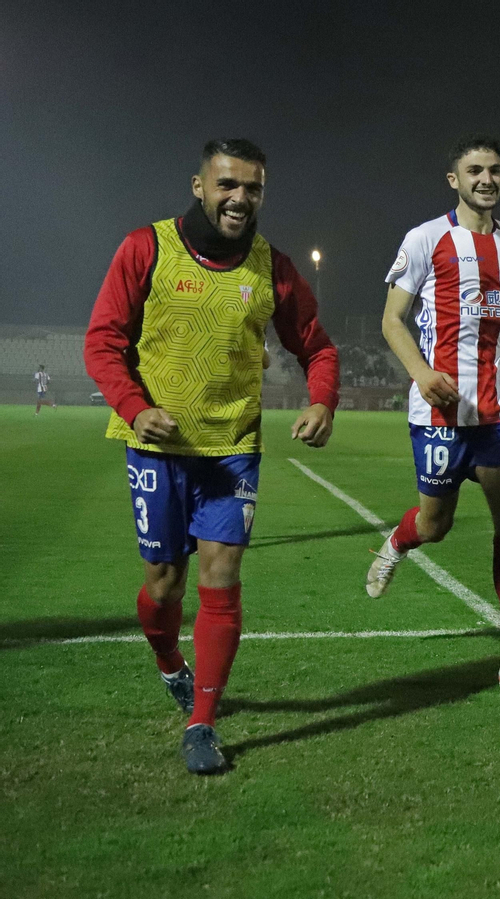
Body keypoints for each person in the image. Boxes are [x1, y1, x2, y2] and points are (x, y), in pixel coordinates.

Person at [83, 138, 340, 774]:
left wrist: (322, 401)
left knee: (221, 577)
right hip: (157, 446)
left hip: (232, 450)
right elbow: (102, 342)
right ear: (199, 186)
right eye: (227, 184)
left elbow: (317, 346)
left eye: (252, 188)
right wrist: (135, 407)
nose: (239, 198)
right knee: (163, 584)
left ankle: (202, 722)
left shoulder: (271, 267)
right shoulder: (145, 248)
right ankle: (170, 661)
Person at [365, 134, 500, 698]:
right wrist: (424, 375)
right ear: (454, 179)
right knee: (436, 525)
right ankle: (398, 543)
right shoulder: (426, 239)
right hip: (441, 414)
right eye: (474, 170)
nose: (487, 179)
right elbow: (392, 321)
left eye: (495, 170)